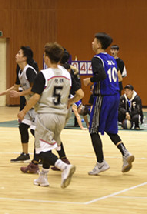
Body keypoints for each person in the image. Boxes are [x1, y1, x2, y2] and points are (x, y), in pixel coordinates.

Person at [17, 42, 82, 188]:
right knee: (49, 145)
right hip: (62, 116)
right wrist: (70, 102)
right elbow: (79, 94)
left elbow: (35, 97)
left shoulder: (44, 74)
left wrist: (24, 111)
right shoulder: (67, 74)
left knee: (42, 150)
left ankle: (64, 166)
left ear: (46, 57)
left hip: (46, 115)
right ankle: (43, 177)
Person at [84, 32, 135, 176]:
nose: (92, 43)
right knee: (111, 129)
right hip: (115, 96)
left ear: (99, 44)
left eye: (94, 41)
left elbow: (101, 75)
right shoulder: (112, 59)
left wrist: (89, 80)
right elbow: (119, 77)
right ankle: (125, 153)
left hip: (104, 97)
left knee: (93, 129)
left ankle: (101, 163)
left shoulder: (97, 59)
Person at [0, 46, 38, 163]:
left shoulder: (30, 70)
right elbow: (16, 87)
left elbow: (34, 89)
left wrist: (20, 94)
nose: (16, 55)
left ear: (25, 58)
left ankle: (40, 156)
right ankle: (25, 154)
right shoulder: (20, 69)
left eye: (19, 53)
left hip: (38, 104)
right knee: (23, 127)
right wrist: (1, 93)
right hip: (29, 104)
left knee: (35, 131)